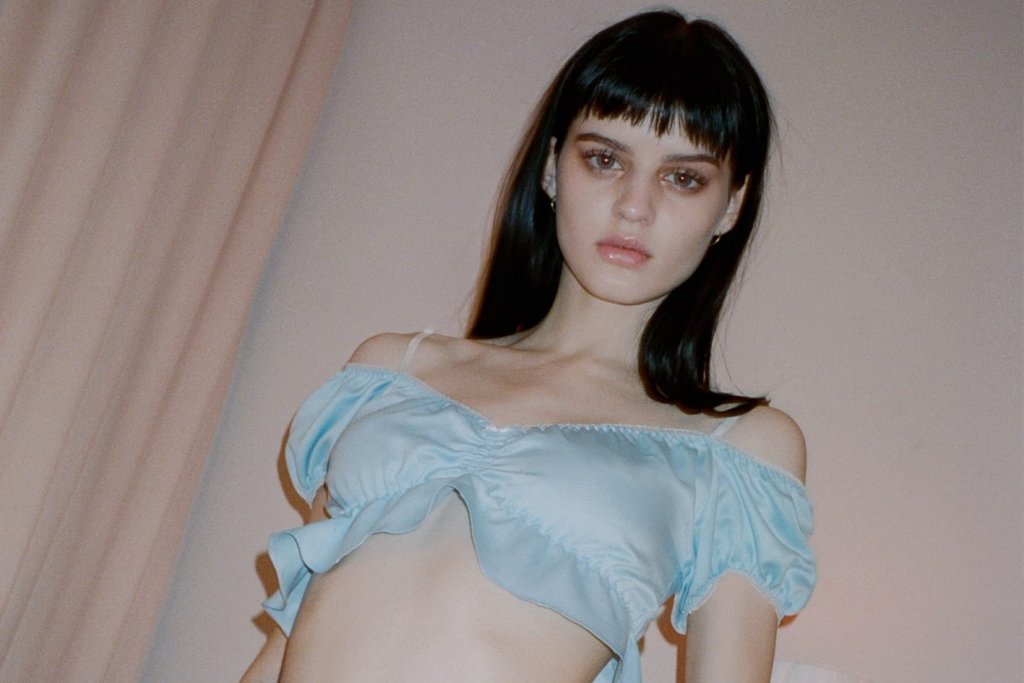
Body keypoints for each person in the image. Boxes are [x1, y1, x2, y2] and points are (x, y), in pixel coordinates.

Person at [243, 9, 815, 683]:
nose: (634, 205)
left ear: (731, 206)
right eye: (604, 159)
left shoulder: (737, 449)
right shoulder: (391, 369)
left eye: (683, 177)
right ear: (551, 167)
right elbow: (283, 648)